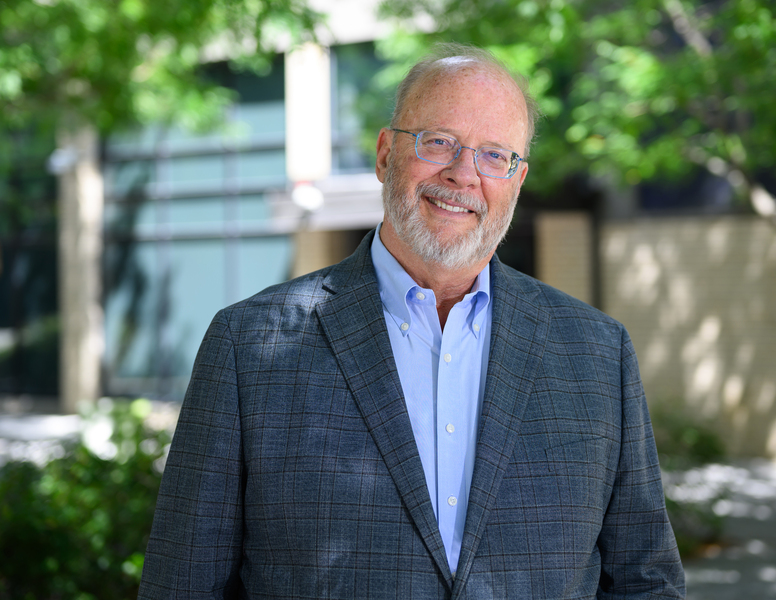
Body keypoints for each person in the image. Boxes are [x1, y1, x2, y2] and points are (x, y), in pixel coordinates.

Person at [139, 43, 686, 599]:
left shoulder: (598, 353)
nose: (463, 174)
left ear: (518, 180)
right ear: (385, 155)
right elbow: (181, 585)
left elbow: (645, 581)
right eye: (439, 141)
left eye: (495, 155)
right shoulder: (248, 345)